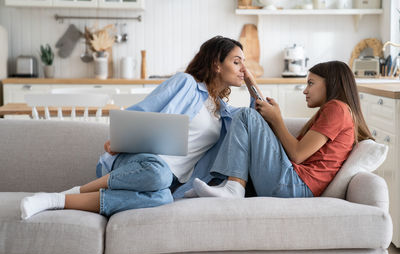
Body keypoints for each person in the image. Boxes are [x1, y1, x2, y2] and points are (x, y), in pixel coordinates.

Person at [20, 36, 264, 219]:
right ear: (216, 64)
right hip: (140, 163)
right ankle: (76, 190)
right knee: (158, 173)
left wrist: (252, 83)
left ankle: (57, 200)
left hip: (167, 183)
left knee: (164, 196)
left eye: (244, 63)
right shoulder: (186, 83)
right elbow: (143, 111)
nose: (243, 68)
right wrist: (119, 139)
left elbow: (256, 118)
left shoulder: (226, 114)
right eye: (236, 61)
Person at [191, 61, 374, 199]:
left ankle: (232, 187)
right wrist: (249, 80)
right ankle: (224, 185)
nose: (305, 90)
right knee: (250, 117)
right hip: (293, 183)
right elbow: (270, 132)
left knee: (246, 115)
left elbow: (297, 154)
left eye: (311, 83)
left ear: (331, 83)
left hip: (295, 187)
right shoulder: (336, 110)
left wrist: (277, 120)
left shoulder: (337, 109)